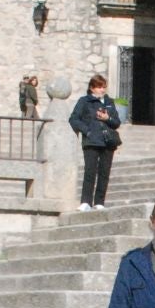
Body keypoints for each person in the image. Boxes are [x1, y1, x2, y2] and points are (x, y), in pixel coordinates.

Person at [68, 74, 121, 210]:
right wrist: (87, 131)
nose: (102, 90)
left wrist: (107, 118)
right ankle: (85, 201)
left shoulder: (109, 102)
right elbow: (74, 119)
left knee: (104, 173)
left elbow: (116, 122)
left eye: (104, 87)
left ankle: (99, 202)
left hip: (108, 142)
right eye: (99, 87)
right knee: (90, 171)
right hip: (91, 141)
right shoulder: (84, 101)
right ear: (92, 88)